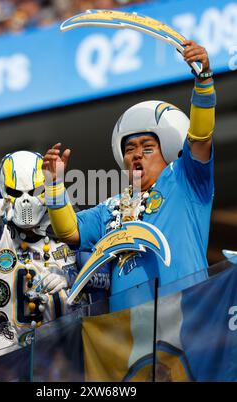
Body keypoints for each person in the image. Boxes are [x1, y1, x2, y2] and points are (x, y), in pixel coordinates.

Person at [42, 40, 216, 308]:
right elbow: (68, 230)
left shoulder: (185, 181)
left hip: (188, 318)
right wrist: (54, 184)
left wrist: (203, 80)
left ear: (167, 151)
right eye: (130, 149)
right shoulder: (109, 209)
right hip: (128, 335)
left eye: (148, 148)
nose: (136, 154)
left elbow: (200, 137)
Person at [0, 150, 82, 358]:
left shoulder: (71, 231)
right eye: (16, 192)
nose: (26, 201)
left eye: (33, 191)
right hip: (4, 370)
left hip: (64, 370)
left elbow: (102, 279)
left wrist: (73, 279)